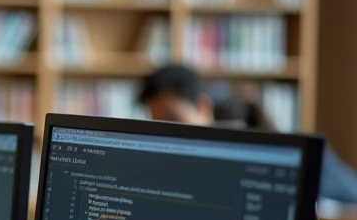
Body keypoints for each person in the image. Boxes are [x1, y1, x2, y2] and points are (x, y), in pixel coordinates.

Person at [139, 63, 357, 204]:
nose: (164, 134)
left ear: (203, 107)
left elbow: (350, 195)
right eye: (155, 124)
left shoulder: (267, 153)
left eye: (172, 120)